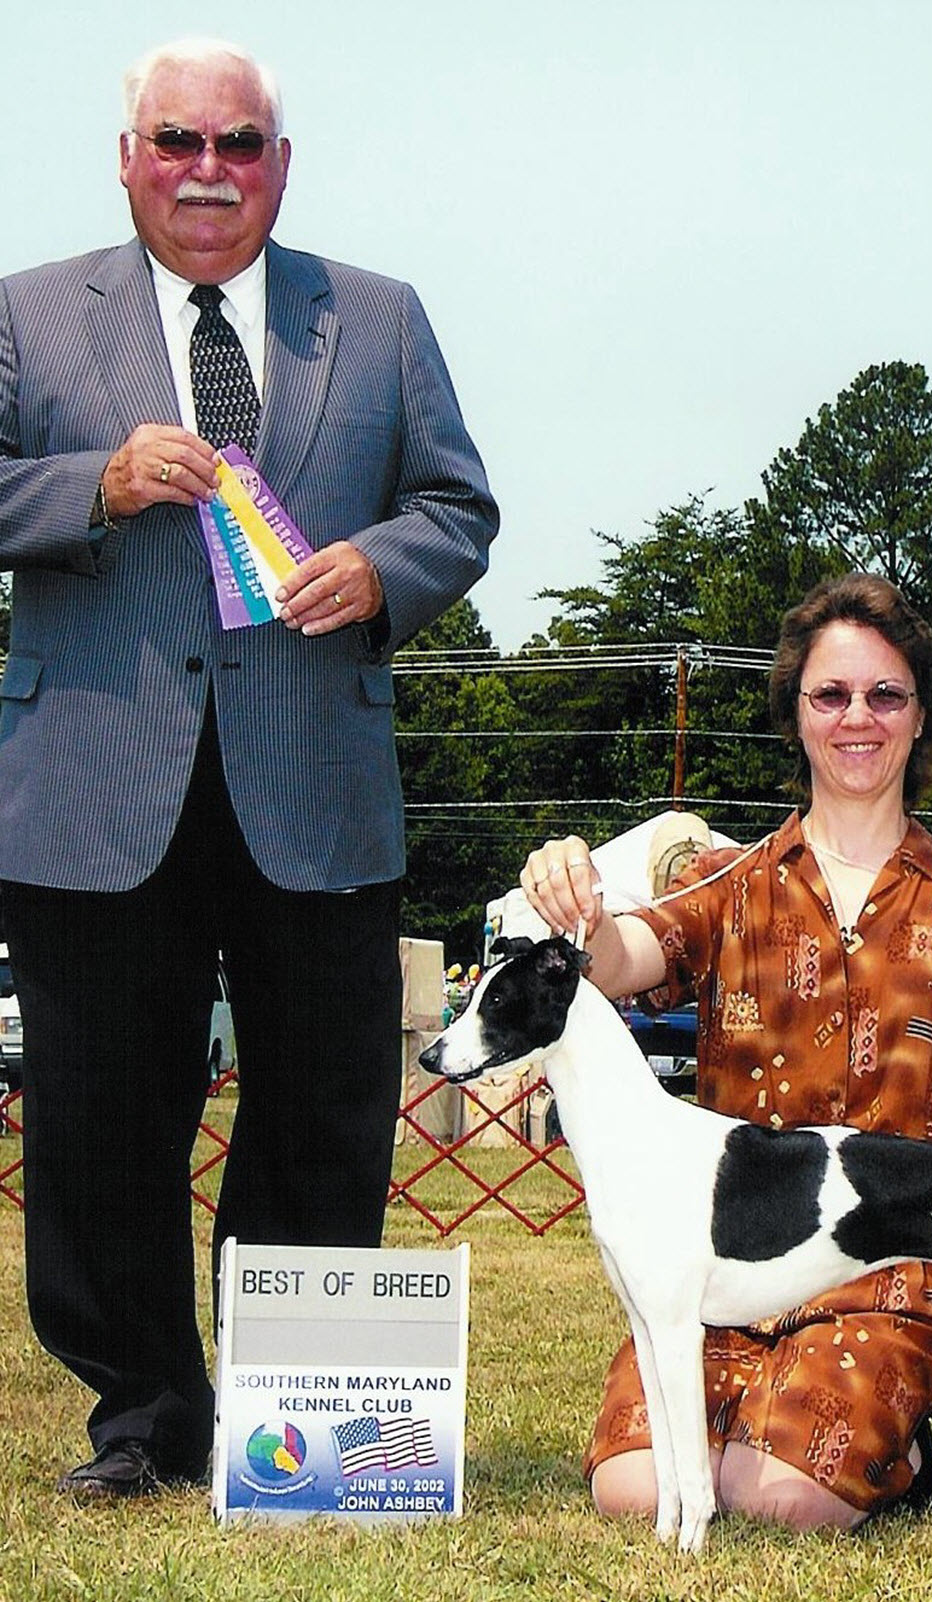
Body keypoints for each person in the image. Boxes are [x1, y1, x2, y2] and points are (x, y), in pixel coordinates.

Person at [0, 37, 498, 1499]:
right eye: (178, 141)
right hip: (97, 789)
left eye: (238, 144)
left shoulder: (384, 317)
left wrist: (378, 565)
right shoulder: (28, 317)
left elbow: (457, 502)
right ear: (126, 155)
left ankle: (303, 1417)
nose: (208, 171)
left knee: (323, 1107)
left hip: (313, 786)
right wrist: (88, 485)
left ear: (280, 162)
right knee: (101, 1115)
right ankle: (145, 1417)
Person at [521, 572, 932, 1533]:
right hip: (723, 1278)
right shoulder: (729, 885)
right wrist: (571, 894)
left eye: (886, 695)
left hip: (886, 1276)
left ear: (921, 714)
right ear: (797, 714)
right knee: (630, 1490)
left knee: (776, 1500)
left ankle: (890, 1449)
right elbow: (616, 958)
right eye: (832, 695)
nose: (859, 718)